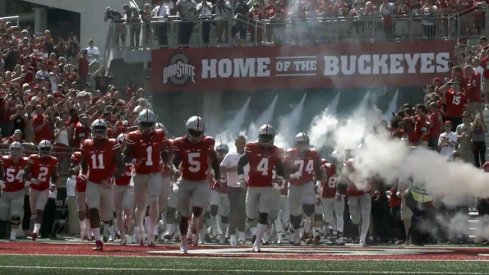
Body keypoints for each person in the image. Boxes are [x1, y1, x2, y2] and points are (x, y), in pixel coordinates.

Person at [171, 116, 220, 253]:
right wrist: (174, 169)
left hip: (201, 180)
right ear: (187, 130)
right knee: (183, 214)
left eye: (199, 133)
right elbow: (175, 161)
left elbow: (215, 161)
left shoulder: (207, 142)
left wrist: (218, 177)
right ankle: (183, 241)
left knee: (198, 209)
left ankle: (196, 219)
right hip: (185, 180)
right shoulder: (180, 143)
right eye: (193, 132)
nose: (196, 136)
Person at [123, 109, 170, 247]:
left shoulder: (160, 134)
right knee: (141, 205)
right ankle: (140, 229)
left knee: (154, 201)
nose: (147, 127)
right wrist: (135, 158)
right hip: (140, 173)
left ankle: (151, 233)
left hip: (155, 173)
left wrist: (167, 163)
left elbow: (165, 151)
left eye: (149, 124)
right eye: (145, 123)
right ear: (139, 123)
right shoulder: (133, 136)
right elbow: (126, 156)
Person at [237, 124, 286, 252]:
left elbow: (280, 168)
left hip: (267, 187)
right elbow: (241, 163)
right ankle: (256, 232)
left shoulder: (276, 151)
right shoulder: (251, 147)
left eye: (268, 137)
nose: (265, 139)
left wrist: (280, 178)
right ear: (259, 136)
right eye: (263, 136)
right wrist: (241, 178)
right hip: (252, 186)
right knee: (250, 215)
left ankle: (257, 243)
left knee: (263, 213)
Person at [80, 119, 124, 251]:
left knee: (106, 216)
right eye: (96, 130)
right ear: (92, 131)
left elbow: (121, 166)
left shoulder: (112, 144)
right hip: (92, 182)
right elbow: (84, 164)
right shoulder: (87, 144)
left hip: (106, 184)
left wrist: (111, 177)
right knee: (93, 210)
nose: (98, 132)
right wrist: (82, 173)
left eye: (101, 130)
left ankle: (109, 224)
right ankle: (98, 241)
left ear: (105, 131)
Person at [284, 132, 322, 245]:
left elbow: (318, 169)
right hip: (294, 185)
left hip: (307, 183)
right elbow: (284, 171)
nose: (303, 145)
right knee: (295, 214)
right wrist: (292, 176)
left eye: (305, 143)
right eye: (301, 143)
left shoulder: (313, 153)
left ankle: (306, 231)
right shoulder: (290, 153)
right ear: (296, 143)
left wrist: (319, 179)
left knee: (309, 207)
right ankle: (296, 234)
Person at [23, 140, 60, 241]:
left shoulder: (53, 160)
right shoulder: (33, 158)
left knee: (40, 211)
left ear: (51, 149)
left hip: (44, 189)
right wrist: (31, 179)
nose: (45, 151)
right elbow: (24, 173)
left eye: (47, 149)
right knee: (33, 212)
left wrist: (54, 184)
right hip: (33, 189)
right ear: (39, 149)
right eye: (43, 149)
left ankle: (35, 232)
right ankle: (31, 230)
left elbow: (55, 176)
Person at [221, 135, 247, 245]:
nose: (241, 145)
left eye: (243, 143)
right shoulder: (230, 156)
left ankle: (241, 232)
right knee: (233, 210)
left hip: (244, 186)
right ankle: (232, 234)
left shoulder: (248, 156)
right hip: (232, 186)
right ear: (235, 144)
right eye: (239, 143)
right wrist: (233, 169)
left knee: (242, 209)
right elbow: (221, 168)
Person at [0, 142, 28, 241]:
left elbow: (32, 172)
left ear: (22, 151)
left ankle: (13, 235)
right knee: (3, 215)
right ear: (9, 150)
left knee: (15, 214)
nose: (15, 152)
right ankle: (2, 233)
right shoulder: (3, 160)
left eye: (18, 149)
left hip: (18, 192)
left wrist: (29, 181)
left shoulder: (26, 162)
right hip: (5, 192)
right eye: (13, 149)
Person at [341, 158, 372, 247]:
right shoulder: (349, 163)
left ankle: (362, 239)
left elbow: (371, 178)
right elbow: (344, 177)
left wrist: (370, 187)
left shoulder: (367, 163)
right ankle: (361, 236)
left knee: (366, 215)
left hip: (364, 192)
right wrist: (352, 183)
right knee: (355, 219)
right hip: (353, 193)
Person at [318, 159, 345, 245]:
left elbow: (322, 180)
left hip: (328, 195)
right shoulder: (342, 168)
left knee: (335, 216)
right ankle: (336, 233)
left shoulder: (326, 167)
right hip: (335, 195)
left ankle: (337, 234)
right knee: (336, 216)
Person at [114, 133, 134, 245]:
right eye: (121, 142)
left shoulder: (132, 154)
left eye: (125, 142)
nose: (123, 145)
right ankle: (122, 236)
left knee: (127, 210)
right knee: (118, 212)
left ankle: (127, 230)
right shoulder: (115, 155)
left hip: (128, 185)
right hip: (117, 185)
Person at [69, 151, 90, 240]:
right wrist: (76, 170)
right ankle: (83, 231)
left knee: (90, 210)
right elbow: (70, 173)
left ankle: (89, 232)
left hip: (90, 187)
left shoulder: (91, 163)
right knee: (81, 210)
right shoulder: (79, 165)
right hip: (80, 188)